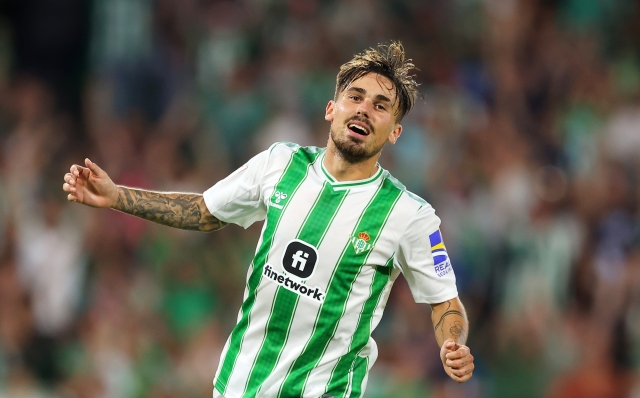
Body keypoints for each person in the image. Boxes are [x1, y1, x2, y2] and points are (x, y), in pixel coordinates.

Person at [63, 42, 474, 398]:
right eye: (356, 96)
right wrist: (119, 196)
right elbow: (205, 211)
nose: (365, 109)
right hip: (239, 384)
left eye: (381, 106)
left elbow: (445, 303)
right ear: (332, 109)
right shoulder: (280, 163)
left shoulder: (409, 215)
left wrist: (451, 343)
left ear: (395, 132)